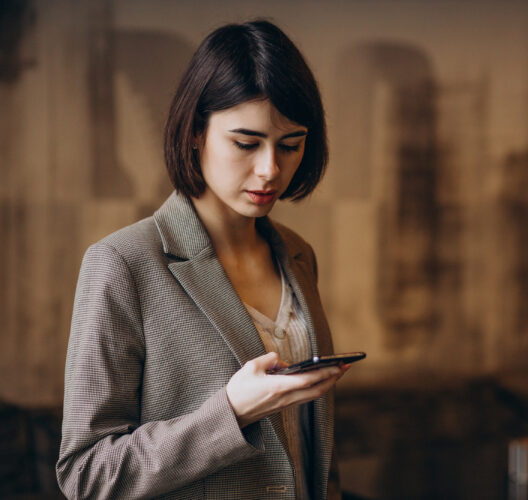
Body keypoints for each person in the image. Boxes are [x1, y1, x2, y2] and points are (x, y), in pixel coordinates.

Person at [56, 20, 349, 499]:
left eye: (290, 145)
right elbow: (87, 475)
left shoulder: (297, 255)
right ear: (195, 132)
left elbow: (314, 446)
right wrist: (231, 412)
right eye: (246, 143)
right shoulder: (122, 264)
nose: (270, 169)